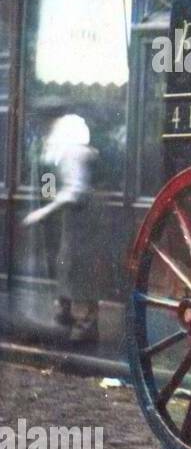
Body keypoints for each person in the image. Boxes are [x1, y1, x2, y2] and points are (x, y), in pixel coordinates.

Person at [22, 114, 101, 344]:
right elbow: (51, 182)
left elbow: (73, 190)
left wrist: (43, 212)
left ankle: (83, 323)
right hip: (74, 218)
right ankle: (66, 315)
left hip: (79, 219)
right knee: (68, 265)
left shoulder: (73, 153)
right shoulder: (68, 153)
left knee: (77, 267)